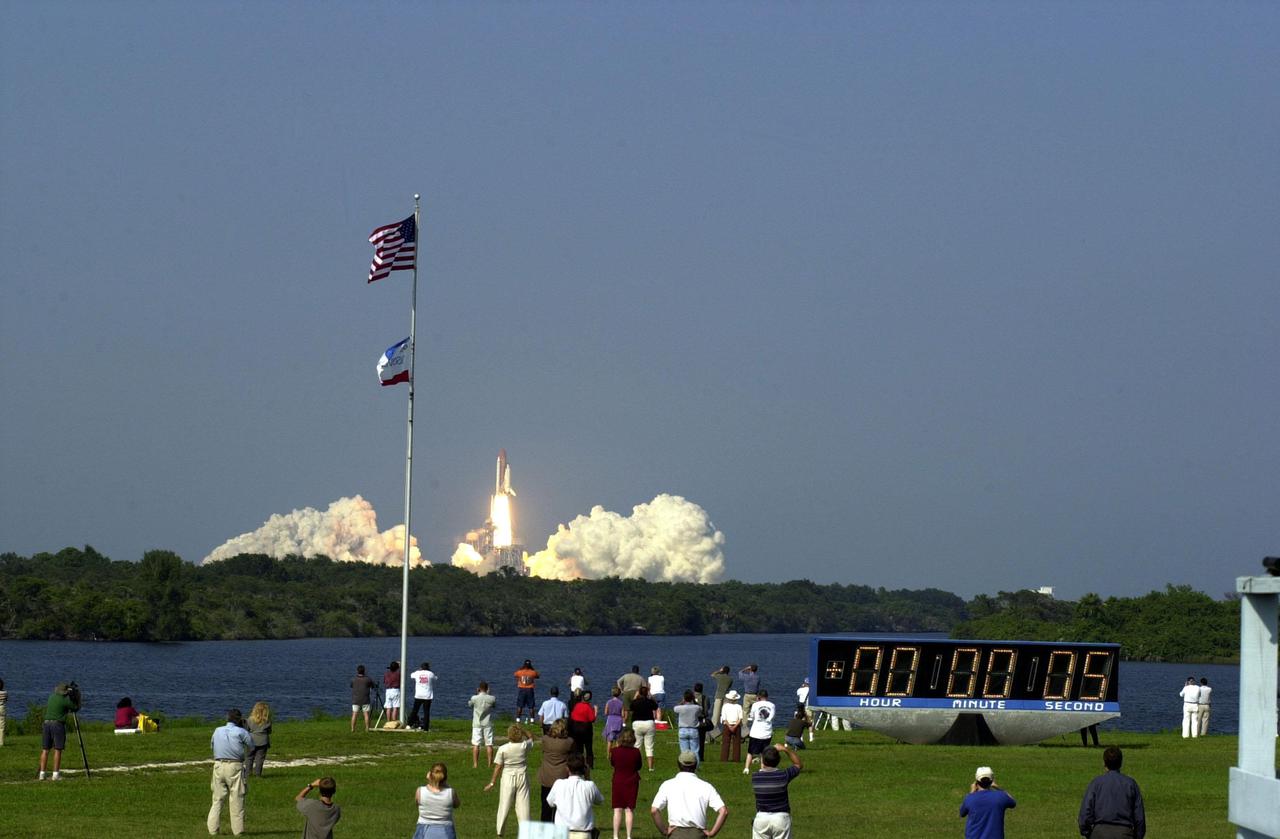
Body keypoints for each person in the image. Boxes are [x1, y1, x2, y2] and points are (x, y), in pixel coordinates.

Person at [650, 750, 729, 839]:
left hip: (676, 834)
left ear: (679, 764)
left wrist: (664, 831)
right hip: (698, 834)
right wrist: (712, 833)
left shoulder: (667, 785)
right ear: (695, 765)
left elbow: (654, 810)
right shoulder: (706, 786)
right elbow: (723, 811)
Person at [1078, 746, 1146, 839]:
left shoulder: (1096, 783)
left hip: (1099, 832)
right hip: (1124, 833)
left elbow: (1085, 814)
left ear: (1104, 763)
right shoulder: (1130, 784)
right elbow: (1139, 818)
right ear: (1121, 763)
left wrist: (1088, 833)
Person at [207, 708, 254, 836]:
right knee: (237, 799)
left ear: (227, 718)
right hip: (235, 766)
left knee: (217, 799)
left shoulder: (217, 730)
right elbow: (252, 746)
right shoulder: (241, 732)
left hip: (218, 765)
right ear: (239, 720)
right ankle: (238, 831)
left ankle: (212, 830)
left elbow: (212, 746)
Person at [486, 724, 532, 837]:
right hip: (522, 776)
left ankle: (500, 831)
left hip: (508, 777)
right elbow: (531, 737)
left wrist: (492, 782)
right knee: (523, 805)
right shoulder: (524, 746)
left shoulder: (503, 748)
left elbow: (498, 767)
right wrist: (524, 731)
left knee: (504, 804)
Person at [751, 743, 803, 839]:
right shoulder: (783, 775)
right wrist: (785, 749)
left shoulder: (756, 777)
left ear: (762, 761)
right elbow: (798, 764)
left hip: (761, 818)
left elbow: (763, 767)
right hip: (781, 818)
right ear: (778, 761)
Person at [546, 752, 604, 839]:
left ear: (567, 768)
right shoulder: (589, 786)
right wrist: (588, 777)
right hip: (583, 834)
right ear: (584, 769)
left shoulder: (559, 784)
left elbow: (550, 802)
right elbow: (599, 800)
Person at [38, 682, 80, 781]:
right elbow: (75, 708)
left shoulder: (51, 697)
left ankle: (42, 774)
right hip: (57, 725)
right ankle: (55, 774)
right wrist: (77, 697)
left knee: (45, 750)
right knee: (58, 749)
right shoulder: (65, 700)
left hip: (46, 724)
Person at [959, 765, 1015, 839]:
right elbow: (1013, 802)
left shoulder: (970, 798)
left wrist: (971, 792)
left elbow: (962, 813)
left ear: (976, 781)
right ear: (991, 780)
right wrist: (998, 788)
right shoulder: (1000, 796)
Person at [539, 718, 575, 821]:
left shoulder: (545, 739)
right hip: (562, 776)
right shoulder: (569, 741)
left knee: (545, 805)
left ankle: (544, 829)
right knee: (561, 806)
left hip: (546, 776)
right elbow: (573, 754)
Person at [610, 729, 643, 839]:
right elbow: (639, 766)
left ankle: (615, 836)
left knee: (617, 809)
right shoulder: (636, 752)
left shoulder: (614, 751)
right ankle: (629, 836)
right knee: (629, 810)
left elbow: (613, 763)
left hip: (618, 780)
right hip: (632, 781)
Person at [414, 762, 460, 839]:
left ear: (430, 775)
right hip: (446, 832)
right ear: (445, 778)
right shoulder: (451, 793)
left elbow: (417, 803)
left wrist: (430, 782)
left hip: (423, 831)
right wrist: (446, 785)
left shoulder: (420, 791)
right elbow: (457, 804)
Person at [627, 684, 659, 772]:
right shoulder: (650, 701)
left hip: (637, 723)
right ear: (647, 693)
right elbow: (656, 706)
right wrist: (651, 696)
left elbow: (631, 707)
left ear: (639, 693)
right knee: (649, 747)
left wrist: (635, 697)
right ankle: (651, 767)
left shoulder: (636, 702)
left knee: (637, 746)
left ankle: (636, 767)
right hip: (649, 723)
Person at [744, 689, 776, 774]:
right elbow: (772, 717)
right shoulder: (772, 705)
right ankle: (762, 769)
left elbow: (751, 716)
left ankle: (746, 768)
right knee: (764, 753)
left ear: (758, 697)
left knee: (750, 752)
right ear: (767, 697)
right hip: (767, 732)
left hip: (755, 733)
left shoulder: (755, 705)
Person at [469, 681, 497, 768]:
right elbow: (494, 706)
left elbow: (470, 704)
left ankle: (475, 764)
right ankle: (489, 764)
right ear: (487, 688)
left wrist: (476, 694)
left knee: (476, 744)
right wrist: (488, 694)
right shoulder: (492, 698)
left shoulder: (474, 698)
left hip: (477, 723)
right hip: (487, 723)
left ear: (479, 689)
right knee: (489, 744)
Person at [673, 690, 704, 766]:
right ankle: (696, 767)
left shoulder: (680, 708)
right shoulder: (696, 707)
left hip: (683, 730)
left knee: (684, 751)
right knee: (695, 751)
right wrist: (694, 701)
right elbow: (701, 708)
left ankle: (684, 765)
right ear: (692, 698)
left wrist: (682, 702)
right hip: (693, 730)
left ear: (684, 698)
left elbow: (675, 708)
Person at [570, 688, 598, 768]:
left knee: (578, 748)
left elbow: (572, 716)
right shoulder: (588, 708)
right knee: (588, 748)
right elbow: (592, 719)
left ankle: (579, 762)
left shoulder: (577, 706)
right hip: (586, 729)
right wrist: (595, 711)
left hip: (576, 729)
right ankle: (590, 764)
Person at [245, 701, 272, 777]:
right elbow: (269, 731)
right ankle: (258, 775)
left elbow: (246, 729)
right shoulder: (267, 721)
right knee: (260, 759)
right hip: (263, 741)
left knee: (249, 758)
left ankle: (247, 773)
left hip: (251, 741)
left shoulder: (249, 719)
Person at [408, 661, 437, 732]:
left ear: (421, 667)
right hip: (427, 696)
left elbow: (411, 675)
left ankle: (409, 724)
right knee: (426, 712)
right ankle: (426, 727)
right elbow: (435, 678)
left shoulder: (417, 673)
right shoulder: (430, 673)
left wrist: (418, 671)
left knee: (415, 710)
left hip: (418, 695)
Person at [708, 666, 732, 741]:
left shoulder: (719, 676)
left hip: (718, 696)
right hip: (726, 697)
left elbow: (712, 674)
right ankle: (725, 730)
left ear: (723, 671)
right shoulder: (730, 679)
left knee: (715, 715)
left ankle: (712, 733)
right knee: (725, 715)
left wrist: (719, 671)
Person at [719, 690, 743, 763]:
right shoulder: (739, 706)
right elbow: (740, 718)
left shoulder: (725, 706)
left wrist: (729, 726)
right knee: (737, 743)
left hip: (727, 726)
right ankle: (736, 759)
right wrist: (735, 726)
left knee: (725, 743)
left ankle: (724, 759)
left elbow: (724, 718)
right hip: (737, 726)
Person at [350, 664, 376, 733]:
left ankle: (352, 729)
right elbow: (373, 686)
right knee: (366, 714)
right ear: (364, 671)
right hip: (365, 699)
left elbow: (351, 686)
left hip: (355, 699)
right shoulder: (368, 679)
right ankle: (367, 728)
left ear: (357, 671)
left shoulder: (353, 679)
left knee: (354, 714)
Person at [514, 659, 540, 725]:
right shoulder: (532, 672)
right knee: (531, 706)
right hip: (530, 690)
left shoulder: (520, 672)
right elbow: (538, 676)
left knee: (520, 706)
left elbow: (515, 675)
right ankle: (532, 721)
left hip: (522, 689)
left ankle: (518, 720)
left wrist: (521, 669)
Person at [603, 686, 625, 755]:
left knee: (610, 740)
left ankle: (608, 755)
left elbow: (606, 713)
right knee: (618, 740)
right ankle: (616, 754)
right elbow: (623, 714)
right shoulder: (621, 703)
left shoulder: (609, 702)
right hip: (618, 721)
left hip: (610, 720)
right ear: (619, 694)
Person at [692, 682, 711, 762]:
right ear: (702, 690)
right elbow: (708, 707)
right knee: (701, 740)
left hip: (692, 719)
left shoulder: (691, 697)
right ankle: (700, 757)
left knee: (692, 739)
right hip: (702, 720)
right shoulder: (705, 697)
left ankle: (692, 756)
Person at [383, 660, 402, 725]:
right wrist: (399, 667)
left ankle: (388, 722)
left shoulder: (386, 674)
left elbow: (384, 681)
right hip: (395, 690)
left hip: (388, 691)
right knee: (395, 707)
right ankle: (394, 722)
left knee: (388, 707)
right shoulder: (398, 674)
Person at [0, 677, 6, 747]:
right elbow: (6, 700)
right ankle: (1, 743)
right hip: (2, 708)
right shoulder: (5, 693)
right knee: (1, 727)